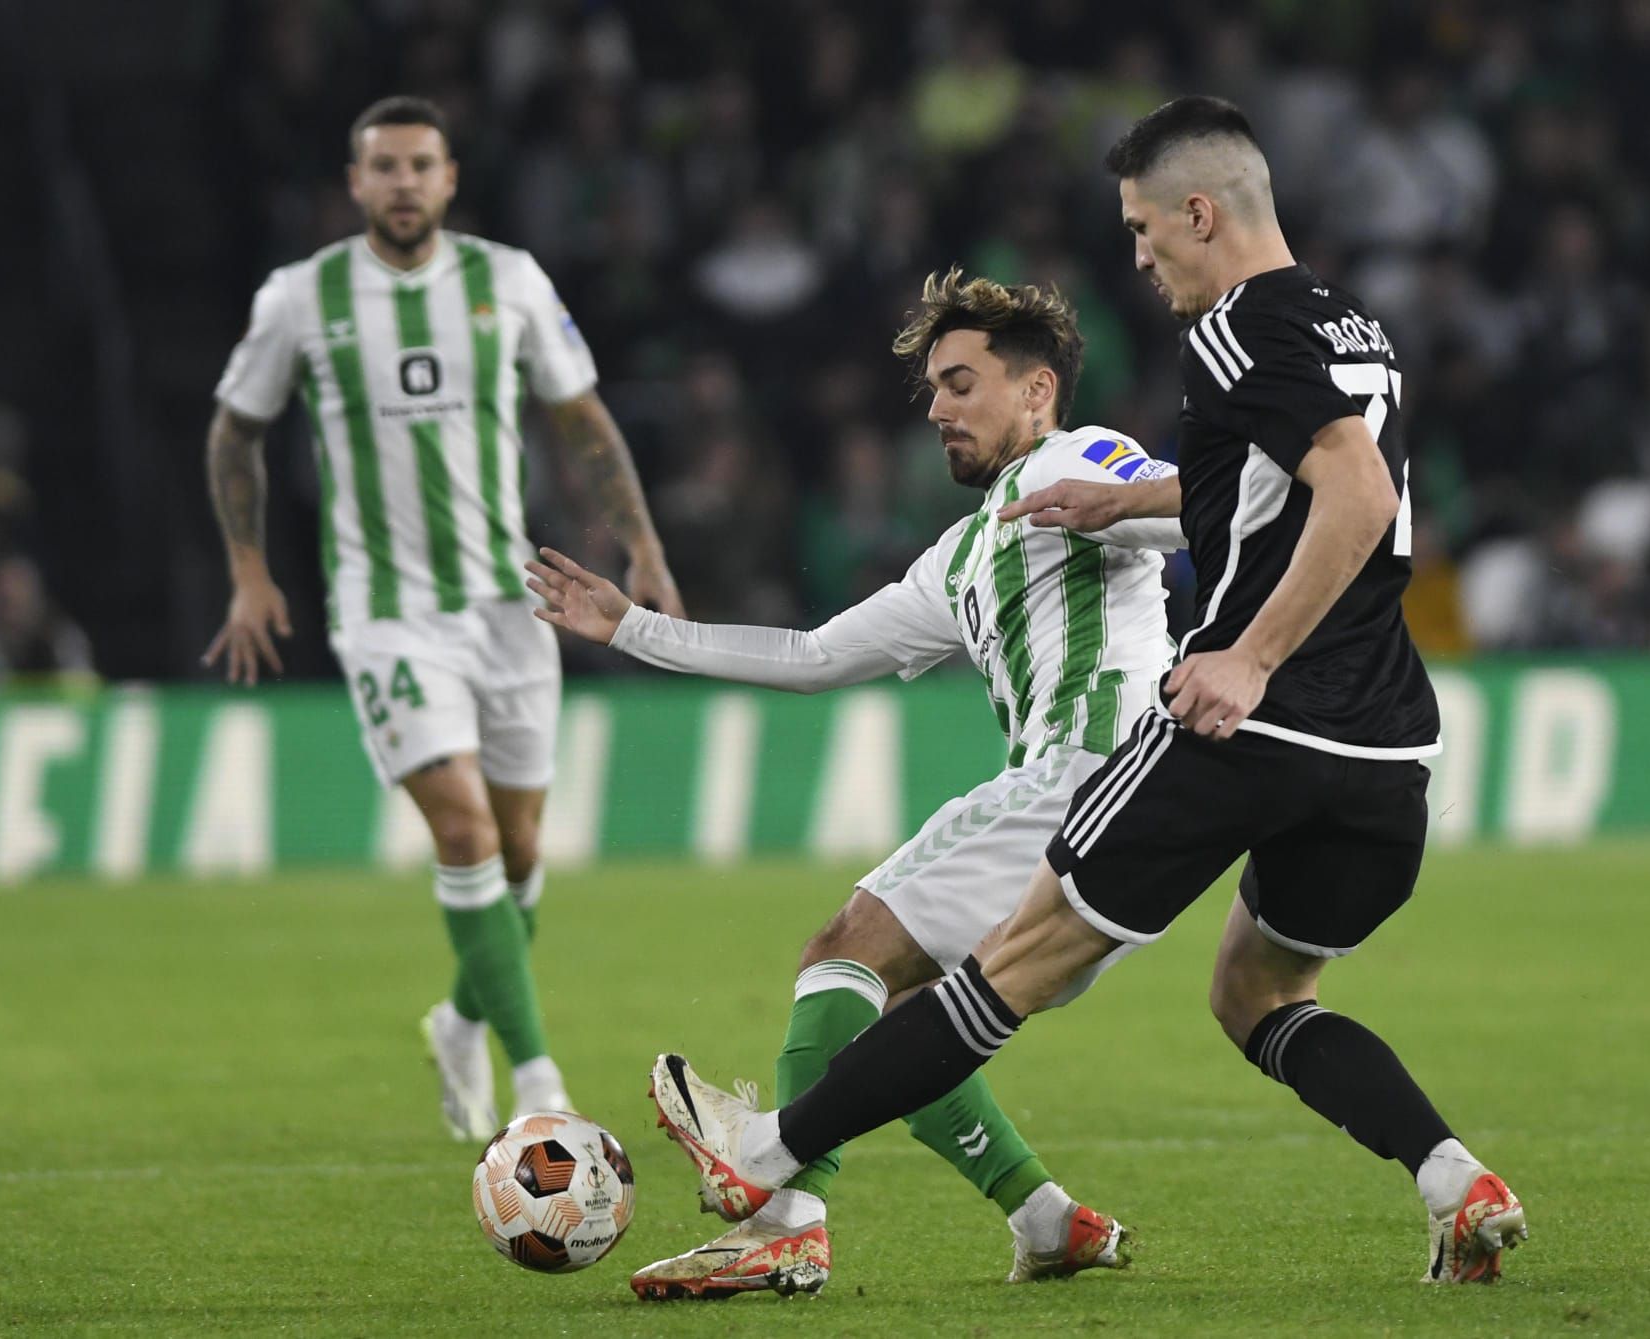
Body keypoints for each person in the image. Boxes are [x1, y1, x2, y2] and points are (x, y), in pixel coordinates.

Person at [639, 97, 1529, 1286]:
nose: (1138, 256)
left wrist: (1249, 655)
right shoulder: (1351, 324)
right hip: (1383, 744)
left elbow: (1353, 496)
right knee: (1258, 993)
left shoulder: (1227, 331)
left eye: (1142, 228)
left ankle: (768, 1159)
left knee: (1003, 967)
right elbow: (1282, 486)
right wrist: (1138, 506)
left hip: (1248, 721)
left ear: (1198, 213)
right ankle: (1452, 1178)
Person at [528, 268, 1179, 1298]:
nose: (935, 410)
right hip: (1118, 813)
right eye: (930, 390)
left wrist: (1132, 503)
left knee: (845, 947)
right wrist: (630, 627)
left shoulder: (1079, 458)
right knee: (906, 1026)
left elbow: (1200, 507)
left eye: (960, 383)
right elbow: (810, 654)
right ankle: (1044, 1218)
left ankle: (782, 1217)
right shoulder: (963, 554)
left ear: (1037, 390)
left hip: (1091, 769)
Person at [202, 95, 682, 1143]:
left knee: (517, 857)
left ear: (450, 178)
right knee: (461, 828)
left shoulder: (505, 280)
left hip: (506, 608)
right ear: (355, 182)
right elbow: (235, 432)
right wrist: (248, 568)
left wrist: (639, 544)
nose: (404, 183)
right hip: (385, 616)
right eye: (384, 167)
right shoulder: (301, 297)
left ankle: (461, 1020)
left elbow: (583, 418)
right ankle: (538, 1076)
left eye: (421, 165)